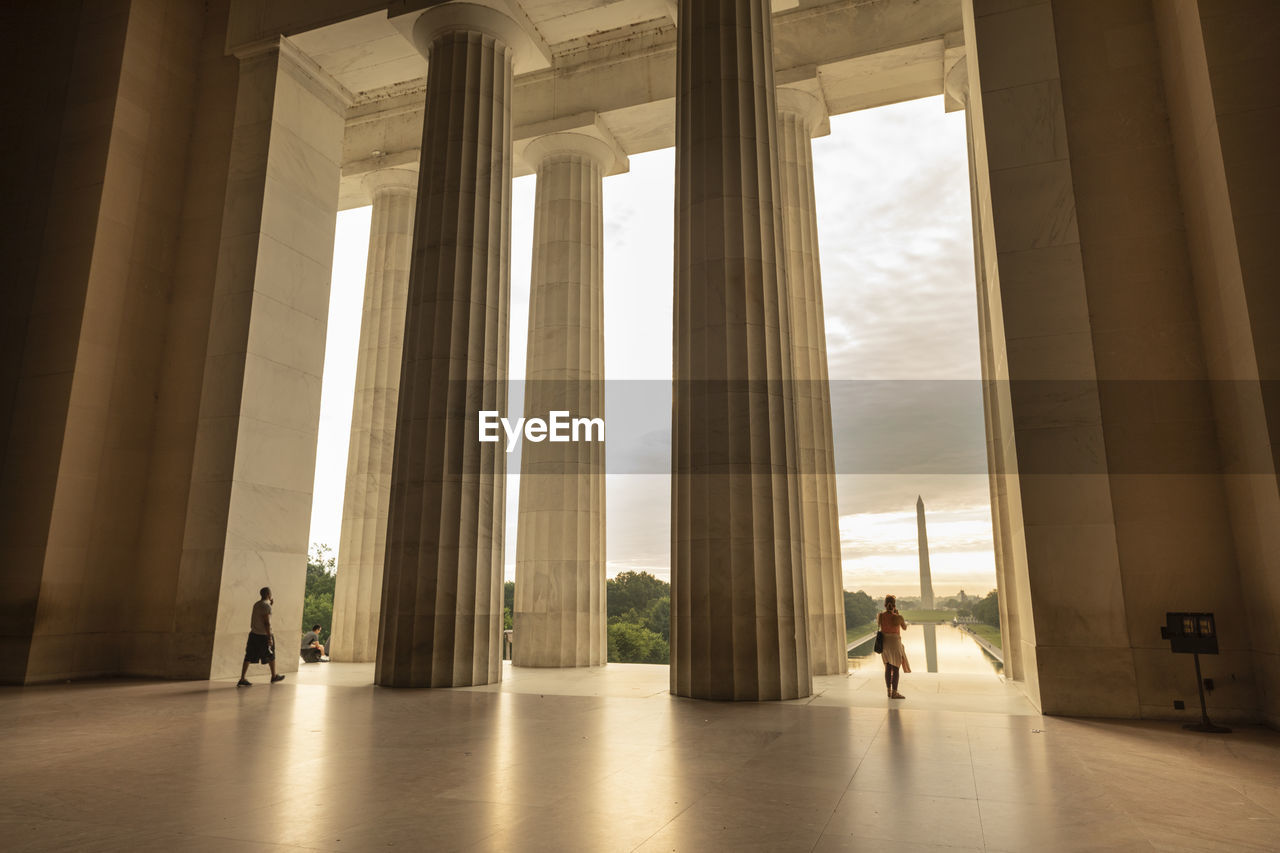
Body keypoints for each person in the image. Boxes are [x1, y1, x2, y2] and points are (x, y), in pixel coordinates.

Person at [238, 587, 285, 687]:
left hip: (254, 634)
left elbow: (263, 614)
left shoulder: (257, 604)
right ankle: (274, 675)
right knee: (271, 654)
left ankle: (242, 678)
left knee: (249, 655)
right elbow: (266, 622)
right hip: (263, 635)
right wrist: (269, 637)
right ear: (268, 594)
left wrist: (270, 605)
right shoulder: (266, 606)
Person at [878, 594, 910, 699]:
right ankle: (895, 692)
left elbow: (881, 625)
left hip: (885, 643)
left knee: (888, 666)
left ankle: (889, 691)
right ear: (894, 605)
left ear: (885, 604)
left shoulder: (880, 616)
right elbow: (904, 628)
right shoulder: (898, 617)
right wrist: (897, 615)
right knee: (895, 667)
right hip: (895, 643)